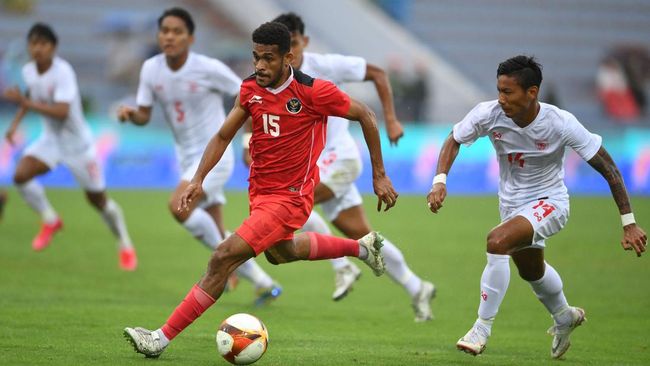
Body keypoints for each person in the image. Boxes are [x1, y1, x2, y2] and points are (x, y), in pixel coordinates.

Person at [123, 21, 397, 358]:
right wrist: (197, 180)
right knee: (281, 253)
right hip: (261, 194)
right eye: (256, 57)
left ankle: (159, 339)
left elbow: (366, 115)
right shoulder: (250, 88)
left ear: (288, 58)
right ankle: (363, 249)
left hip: (291, 198)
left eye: (268, 58)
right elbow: (223, 135)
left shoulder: (314, 91)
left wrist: (379, 175)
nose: (260, 66)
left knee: (223, 257)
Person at [427, 55, 647, 358]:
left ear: (532, 92)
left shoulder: (560, 122)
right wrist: (440, 180)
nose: (501, 99)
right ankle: (564, 317)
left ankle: (482, 327)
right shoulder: (487, 114)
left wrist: (629, 222)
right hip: (511, 206)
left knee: (497, 241)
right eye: (499, 91)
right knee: (531, 271)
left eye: (509, 92)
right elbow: (454, 139)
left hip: (550, 203)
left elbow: (609, 168)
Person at [270, 12, 435, 322]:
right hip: (317, 167)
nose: (290, 53)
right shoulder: (278, 79)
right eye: (284, 48)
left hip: (341, 158)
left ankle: (341, 266)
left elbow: (377, 73)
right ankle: (417, 287)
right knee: (364, 237)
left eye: (294, 44)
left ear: (304, 42)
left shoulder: (327, 66)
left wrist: (390, 118)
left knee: (288, 206)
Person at [117, 7, 280, 305]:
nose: (169, 36)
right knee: (216, 228)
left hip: (213, 156)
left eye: (177, 31)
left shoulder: (207, 68)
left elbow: (249, 94)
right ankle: (263, 283)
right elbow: (144, 114)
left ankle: (234, 267)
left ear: (190, 38)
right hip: (185, 156)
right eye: (164, 30)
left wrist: (247, 140)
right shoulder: (151, 69)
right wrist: (131, 115)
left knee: (179, 207)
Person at [2, 23, 137, 270]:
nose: (37, 49)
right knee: (20, 175)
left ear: (53, 47)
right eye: (33, 43)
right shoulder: (29, 71)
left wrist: (25, 104)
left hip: (79, 147)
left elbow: (62, 111)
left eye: (43, 44)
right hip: (51, 141)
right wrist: (15, 124)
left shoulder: (63, 72)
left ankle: (125, 244)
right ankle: (50, 219)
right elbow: (30, 98)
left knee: (99, 202)